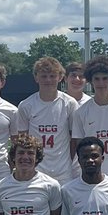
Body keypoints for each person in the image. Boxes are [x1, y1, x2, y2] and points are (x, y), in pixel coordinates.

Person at [16, 57, 78, 186]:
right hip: (37, 171)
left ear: (60, 77)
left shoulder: (69, 103)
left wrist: (70, 162)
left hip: (63, 171)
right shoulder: (26, 105)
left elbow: (75, 139)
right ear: (36, 78)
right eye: (44, 76)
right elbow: (22, 140)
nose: (48, 80)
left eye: (52, 76)